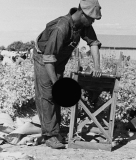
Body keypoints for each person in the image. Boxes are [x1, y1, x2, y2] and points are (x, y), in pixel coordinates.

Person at [32, 0, 102, 149]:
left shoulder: (84, 24)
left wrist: (97, 67)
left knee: (57, 96)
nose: (92, 22)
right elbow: (49, 58)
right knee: (48, 95)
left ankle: (55, 132)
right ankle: (50, 136)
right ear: (82, 13)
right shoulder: (61, 27)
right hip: (44, 58)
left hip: (58, 61)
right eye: (91, 18)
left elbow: (93, 43)